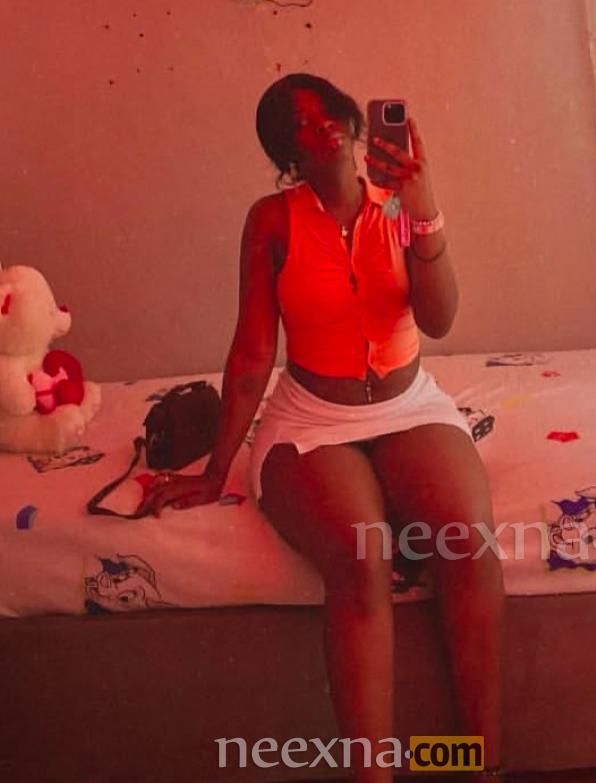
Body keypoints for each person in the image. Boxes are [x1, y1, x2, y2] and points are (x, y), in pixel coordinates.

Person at [137, 73, 504, 782]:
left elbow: (439, 320)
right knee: (362, 560)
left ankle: (480, 766)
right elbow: (253, 353)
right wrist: (215, 470)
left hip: (408, 404)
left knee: (469, 542)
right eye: (299, 125)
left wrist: (424, 208)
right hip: (311, 420)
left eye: (326, 112)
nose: (321, 127)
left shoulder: (400, 203)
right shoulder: (271, 221)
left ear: (353, 120)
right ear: (287, 152)